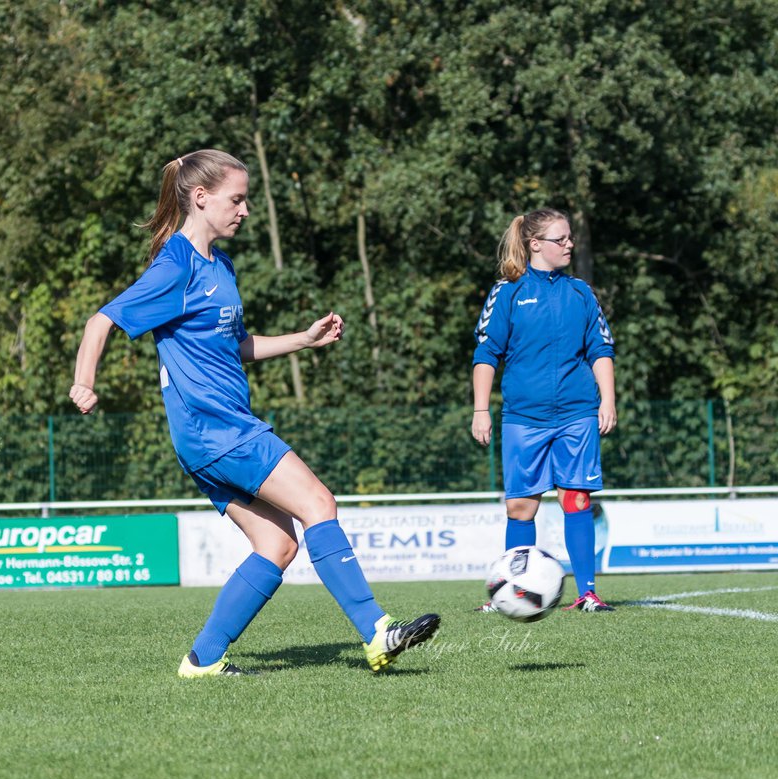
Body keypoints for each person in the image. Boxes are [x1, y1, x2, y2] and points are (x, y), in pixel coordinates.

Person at [70, 149, 440, 676]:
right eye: (236, 199)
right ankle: (377, 632)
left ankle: (203, 660)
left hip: (210, 434)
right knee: (318, 502)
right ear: (200, 198)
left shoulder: (220, 264)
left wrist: (303, 341)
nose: (245, 210)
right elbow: (100, 322)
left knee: (278, 543)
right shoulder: (176, 264)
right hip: (216, 427)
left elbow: (234, 345)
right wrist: (84, 383)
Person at [471, 208, 617, 612]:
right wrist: (481, 409)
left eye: (570, 238)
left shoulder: (580, 293)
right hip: (523, 417)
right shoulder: (508, 292)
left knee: (577, 499)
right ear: (535, 244)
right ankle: (509, 592)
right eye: (560, 239)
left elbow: (601, 349)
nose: (569, 244)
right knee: (521, 506)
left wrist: (608, 398)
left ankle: (588, 593)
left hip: (576, 413)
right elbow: (486, 353)